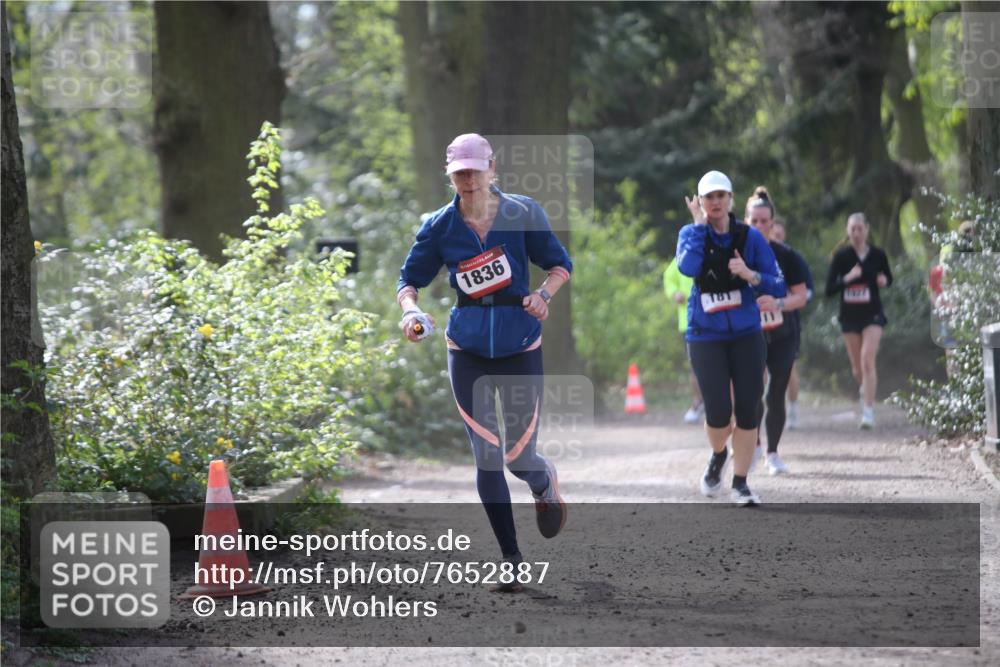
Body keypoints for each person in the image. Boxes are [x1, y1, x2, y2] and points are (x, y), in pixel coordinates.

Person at [397, 133, 570, 590]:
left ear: (493, 168)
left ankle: (542, 479)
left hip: (520, 345)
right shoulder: (439, 226)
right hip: (466, 349)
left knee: (517, 457)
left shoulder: (523, 212)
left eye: (475, 170)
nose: (468, 180)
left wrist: (542, 297)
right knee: (487, 457)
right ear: (450, 177)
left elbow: (559, 264)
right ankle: (512, 559)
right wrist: (411, 311)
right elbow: (408, 280)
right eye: (460, 174)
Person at [678, 170, 786, 505]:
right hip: (705, 334)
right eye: (708, 197)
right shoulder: (690, 233)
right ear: (700, 201)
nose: (715, 202)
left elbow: (777, 283)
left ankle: (740, 483)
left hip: (746, 333)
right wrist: (698, 226)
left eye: (721, 196)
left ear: (731, 200)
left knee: (749, 408)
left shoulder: (750, 238)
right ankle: (718, 454)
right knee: (719, 412)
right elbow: (688, 267)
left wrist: (750, 275)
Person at [745, 190, 810, 475]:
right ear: (747, 221)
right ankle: (754, 445)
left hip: (783, 333)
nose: (760, 226)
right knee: (753, 391)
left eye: (764, 221)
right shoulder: (738, 255)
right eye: (754, 221)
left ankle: (773, 453)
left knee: (775, 394)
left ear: (773, 224)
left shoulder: (788, 256)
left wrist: (778, 303)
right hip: (751, 334)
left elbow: (802, 296)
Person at [825, 212, 892, 429]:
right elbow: (829, 289)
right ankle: (865, 390)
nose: (856, 233)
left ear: (867, 230)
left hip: (872, 313)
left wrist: (884, 280)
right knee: (857, 368)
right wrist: (847, 278)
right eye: (852, 229)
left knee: (867, 359)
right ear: (848, 231)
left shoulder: (878, 255)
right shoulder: (841, 256)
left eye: (859, 228)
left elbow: (888, 277)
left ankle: (869, 412)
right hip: (850, 316)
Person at [769, 218, 813, 429]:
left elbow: (808, 292)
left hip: (788, 322)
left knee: (788, 369)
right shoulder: (753, 254)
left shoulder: (791, 257)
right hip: (760, 323)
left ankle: (793, 408)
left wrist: (784, 299)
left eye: (778, 235)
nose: (774, 238)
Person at [663, 256, 703, 423]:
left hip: (715, 320)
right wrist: (674, 292)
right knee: (695, 366)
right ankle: (698, 402)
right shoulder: (682, 255)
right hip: (688, 323)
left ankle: (718, 402)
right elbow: (668, 277)